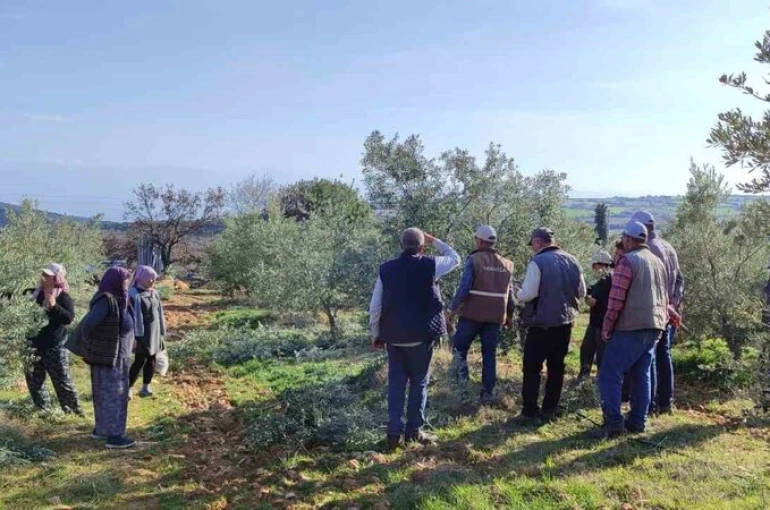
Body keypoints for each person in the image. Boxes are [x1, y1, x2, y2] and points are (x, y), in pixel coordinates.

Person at [369, 228, 460, 450]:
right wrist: (435, 240)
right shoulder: (431, 265)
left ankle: (393, 434)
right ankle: (414, 432)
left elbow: (375, 306)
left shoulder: (386, 269)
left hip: (394, 337)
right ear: (422, 246)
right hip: (421, 337)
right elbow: (455, 259)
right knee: (419, 383)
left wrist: (376, 334)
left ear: (402, 245)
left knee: (395, 385)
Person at [596, 221, 669, 437]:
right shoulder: (657, 262)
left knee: (609, 372)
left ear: (628, 239)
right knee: (642, 373)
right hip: (655, 325)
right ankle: (638, 422)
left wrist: (607, 325)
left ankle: (613, 423)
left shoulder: (627, 261)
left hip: (631, 325)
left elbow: (616, 298)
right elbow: (664, 296)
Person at [516, 227, 586, 424]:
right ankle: (550, 410)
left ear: (538, 242)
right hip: (565, 324)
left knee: (532, 368)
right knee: (557, 368)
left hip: (541, 324)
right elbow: (581, 291)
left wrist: (518, 294)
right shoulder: (573, 260)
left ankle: (530, 411)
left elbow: (529, 293)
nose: (532, 249)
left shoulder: (537, 262)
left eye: (533, 245)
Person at [446, 225, 514, 404]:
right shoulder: (508, 264)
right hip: (495, 316)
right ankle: (488, 393)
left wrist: (451, 310)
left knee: (460, 349)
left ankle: (463, 388)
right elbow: (510, 294)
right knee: (489, 353)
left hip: (472, 315)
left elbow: (464, 288)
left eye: (476, 239)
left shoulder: (474, 259)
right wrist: (510, 316)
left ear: (481, 241)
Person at [630, 211, 684, 414]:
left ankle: (650, 404)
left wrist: (665, 306)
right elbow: (680, 279)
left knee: (650, 357)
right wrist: (674, 304)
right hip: (669, 311)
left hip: (657, 311)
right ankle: (665, 402)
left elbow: (655, 285)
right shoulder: (668, 246)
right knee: (664, 355)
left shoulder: (650, 250)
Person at [80, 267, 136, 449]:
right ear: (116, 282)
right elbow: (88, 324)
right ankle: (114, 436)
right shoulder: (107, 300)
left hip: (116, 355)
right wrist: (99, 342)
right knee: (114, 394)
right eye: (124, 281)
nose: (127, 284)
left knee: (104, 393)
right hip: (110, 355)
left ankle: (102, 429)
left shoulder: (119, 299)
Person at [24, 263, 83, 415]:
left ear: (56, 278)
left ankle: (73, 411)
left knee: (62, 380)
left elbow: (68, 319)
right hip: (32, 345)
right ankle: (43, 410)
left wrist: (54, 306)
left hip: (54, 345)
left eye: (48, 275)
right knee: (34, 380)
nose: (44, 277)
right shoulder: (32, 293)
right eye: (43, 273)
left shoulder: (63, 297)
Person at [128, 265, 166, 399]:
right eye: (150, 279)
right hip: (141, 333)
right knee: (139, 360)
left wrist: (162, 331)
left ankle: (146, 387)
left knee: (152, 358)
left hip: (154, 331)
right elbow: (131, 316)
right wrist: (134, 337)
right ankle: (128, 388)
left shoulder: (153, 293)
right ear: (141, 278)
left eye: (154, 279)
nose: (152, 282)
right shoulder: (133, 294)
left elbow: (159, 312)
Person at [578, 250, 614, 379]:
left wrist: (591, 301)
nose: (593, 268)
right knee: (586, 349)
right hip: (594, 322)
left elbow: (598, 301)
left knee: (601, 354)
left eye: (594, 265)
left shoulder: (608, 280)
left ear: (601, 265)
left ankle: (601, 382)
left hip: (602, 323)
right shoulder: (600, 280)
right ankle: (584, 376)